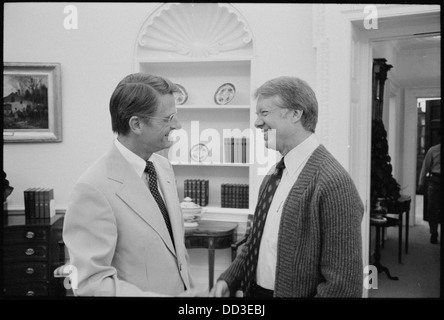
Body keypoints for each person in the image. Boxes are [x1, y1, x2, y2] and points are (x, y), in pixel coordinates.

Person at [210, 76, 364, 298]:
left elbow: (342, 286)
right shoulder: (274, 176)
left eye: (264, 113)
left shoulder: (334, 183)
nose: (256, 123)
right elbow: (256, 242)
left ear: (295, 114)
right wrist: (229, 279)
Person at [63, 73, 202, 296]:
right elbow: (90, 284)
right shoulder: (93, 188)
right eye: (168, 118)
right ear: (136, 124)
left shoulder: (163, 167)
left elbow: (177, 254)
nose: (177, 125)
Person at [418, 139, 441, 244]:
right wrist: (421, 182)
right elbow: (425, 167)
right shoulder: (433, 150)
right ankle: (434, 232)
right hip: (435, 181)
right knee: (432, 208)